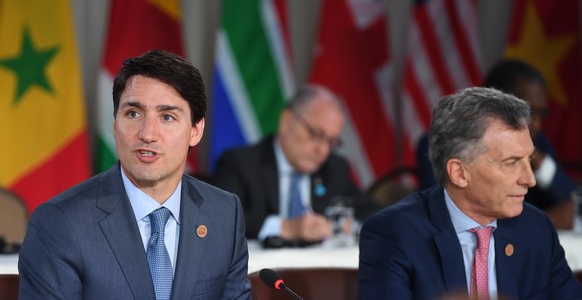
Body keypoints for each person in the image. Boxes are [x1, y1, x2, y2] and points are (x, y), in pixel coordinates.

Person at [18, 50, 251, 299]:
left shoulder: (224, 214)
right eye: (133, 114)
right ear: (115, 123)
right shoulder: (60, 222)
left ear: (196, 130)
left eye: (167, 117)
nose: (147, 133)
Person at [359, 87, 582, 300]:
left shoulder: (536, 229)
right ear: (460, 173)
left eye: (529, 160)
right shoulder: (394, 234)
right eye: (511, 162)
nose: (529, 179)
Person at [416, 59, 576, 229]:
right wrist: (543, 222)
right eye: (528, 112)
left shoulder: (536, 141)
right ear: (495, 103)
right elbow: (446, 214)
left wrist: (541, 164)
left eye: (541, 113)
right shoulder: (441, 143)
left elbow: (573, 204)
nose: (537, 124)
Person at [212, 85, 381, 242]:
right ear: (287, 121)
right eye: (316, 134)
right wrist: (285, 227)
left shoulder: (334, 168)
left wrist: (352, 225)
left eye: (331, 142)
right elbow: (221, 220)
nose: (322, 150)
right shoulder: (240, 163)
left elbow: (375, 214)